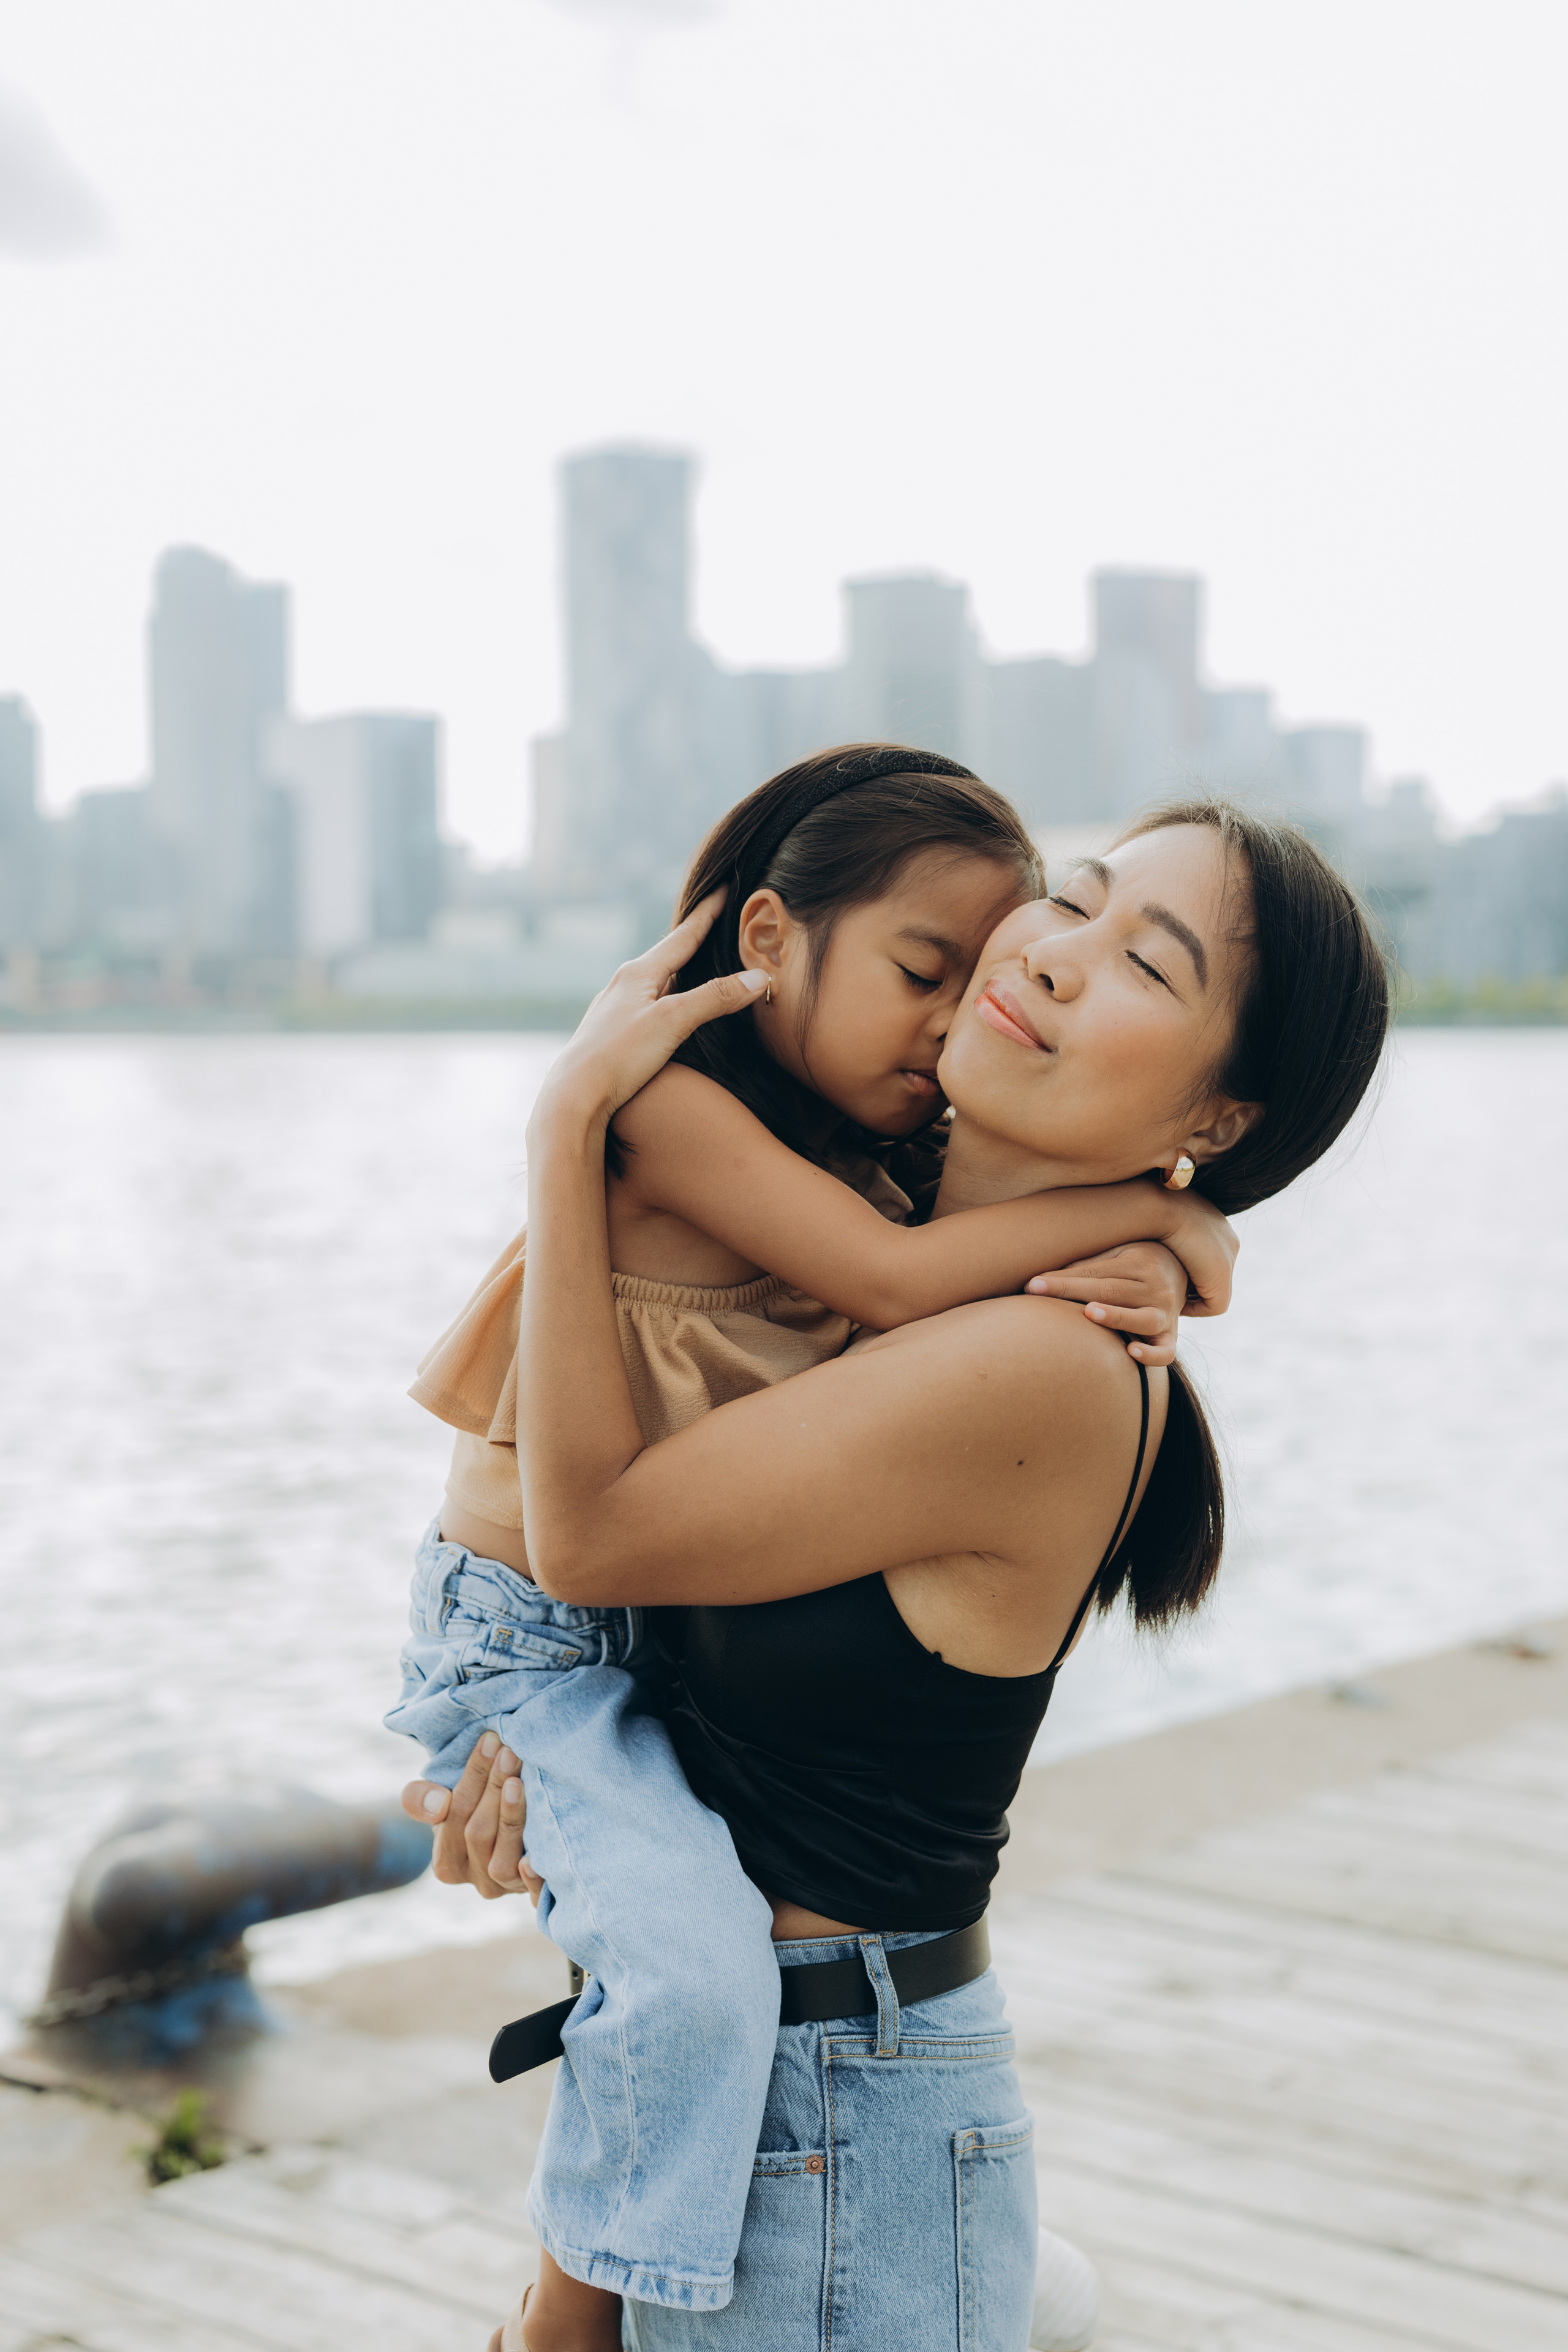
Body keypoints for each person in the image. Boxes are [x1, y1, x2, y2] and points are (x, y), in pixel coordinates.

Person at [417, 793, 1390, 2351]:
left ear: (1214, 1123)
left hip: (832, 2137)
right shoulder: (875, 1228)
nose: (1060, 956)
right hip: (746, 2091)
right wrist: (527, 1786)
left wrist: (562, 1126)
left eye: (1148, 961)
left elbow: (585, 1533)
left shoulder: (1036, 1367)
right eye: (1071, 899)